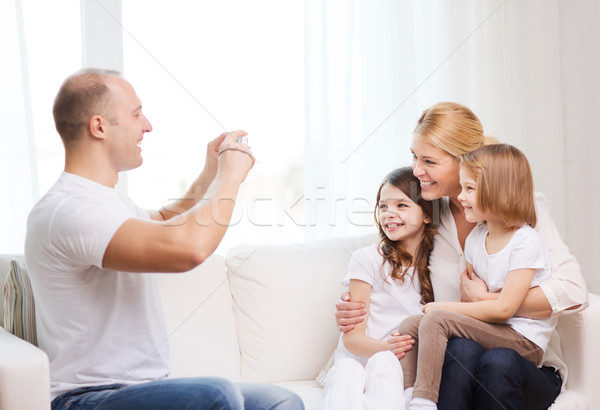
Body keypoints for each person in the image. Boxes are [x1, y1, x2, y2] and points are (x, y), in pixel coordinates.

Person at [25, 68, 304, 410]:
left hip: (146, 388)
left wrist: (210, 172)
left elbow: (162, 221)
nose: (147, 125)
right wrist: (230, 177)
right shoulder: (69, 210)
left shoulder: (104, 201)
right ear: (99, 127)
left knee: (281, 401)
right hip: (86, 398)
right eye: (136, 114)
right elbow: (188, 248)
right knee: (217, 395)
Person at [335, 102, 588, 409]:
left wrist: (489, 300)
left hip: (520, 364)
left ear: (465, 160)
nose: (417, 170)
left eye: (429, 160)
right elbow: (390, 265)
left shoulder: (518, 209)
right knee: (461, 351)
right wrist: (356, 309)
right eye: (414, 156)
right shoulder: (431, 214)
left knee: (496, 361)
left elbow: (574, 292)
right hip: (459, 358)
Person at [398, 143, 557, 410]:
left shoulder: (524, 242)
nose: (460, 197)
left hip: (523, 339)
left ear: (498, 191)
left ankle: (423, 401)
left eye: (469, 189)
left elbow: (505, 308)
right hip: (492, 330)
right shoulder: (476, 239)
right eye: (462, 187)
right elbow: (471, 306)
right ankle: (407, 393)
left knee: (435, 318)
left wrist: (440, 309)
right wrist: (443, 311)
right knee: (411, 324)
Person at [320, 167, 437, 410]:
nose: (389, 214)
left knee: (386, 366)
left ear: (427, 214)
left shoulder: (439, 264)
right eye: (383, 206)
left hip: (396, 367)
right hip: (359, 359)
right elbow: (352, 338)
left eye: (401, 205)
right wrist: (386, 348)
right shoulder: (367, 259)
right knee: (348, 370)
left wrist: (390, 354)